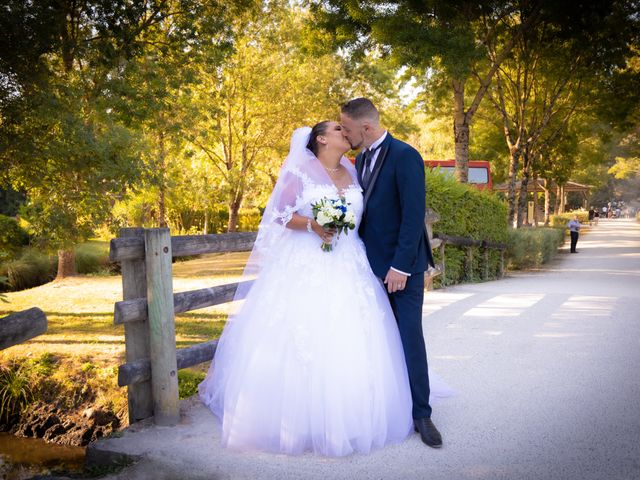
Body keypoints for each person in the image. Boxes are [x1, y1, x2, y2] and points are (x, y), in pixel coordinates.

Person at [198, 121, 448, 456]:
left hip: (353, 264)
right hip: (308, 262)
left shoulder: (355, 170)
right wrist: (312, 224)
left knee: (360, 334)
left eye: (346, 128)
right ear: (321, 138)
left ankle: (375, 409)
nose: (344, 133)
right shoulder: (299, 172)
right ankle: (303, 419)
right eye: (336, 129)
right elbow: (280, 215)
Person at [340, 98, 442, 448]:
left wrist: (400, 266)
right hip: (368, 267)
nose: (345, 134)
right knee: (377, 339)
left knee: (410, 336)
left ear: (365, 128)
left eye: (348, 129)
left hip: (403, 268)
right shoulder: (361, 158)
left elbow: (414, 216)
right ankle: (387, 406)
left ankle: (422, 414)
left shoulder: (405, 155)